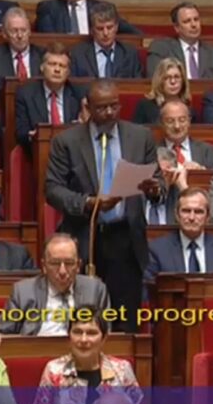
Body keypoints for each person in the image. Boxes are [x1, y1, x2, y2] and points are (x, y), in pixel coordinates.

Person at [45, 79, 158, 332]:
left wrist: (155, 188)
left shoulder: (140, 137)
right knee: (83, 318)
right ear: (88, 106)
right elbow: (52, 190)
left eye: (114, 106)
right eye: (102, 108)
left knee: (124, 320)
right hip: (85, 237)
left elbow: (157, 181)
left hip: (126, 239)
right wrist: (88, 203)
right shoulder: (67, 141)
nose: (109, 113)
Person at [31, 306, 144, 404]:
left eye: (91, 333)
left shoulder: (122, 370)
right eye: (77, 332)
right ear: (69, 337)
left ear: (104, 338)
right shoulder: (53, 370)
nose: (83, 340)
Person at [0, 234, 110, 336]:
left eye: (69, 263)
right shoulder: (23, 291)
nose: (62, 271)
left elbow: (106, 334)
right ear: (44, 266)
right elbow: (4, 335)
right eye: (55, 263)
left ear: (78, 265)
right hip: (37, 352)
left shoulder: (95, 289)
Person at [146, 187, 213, 279]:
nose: (192, 217)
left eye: (198, 212)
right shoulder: (157, 250)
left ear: (207, 217)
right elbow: (149, 290)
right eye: (186, 211)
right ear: (177, 215)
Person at [14, 42, 87, 149]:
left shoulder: (79, 94)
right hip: (38, 151)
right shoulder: (26, 94)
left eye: (62, 66)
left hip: (72, 152)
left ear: (68, 72)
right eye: (52, 64)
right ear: (42, 67)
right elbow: (21, 132)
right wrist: (32, 136)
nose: (57, 70)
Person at [0, 7, 44, 101]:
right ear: (4, 34)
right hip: (7, 108)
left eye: (23, 30)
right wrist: (8, 92)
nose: (20, 36)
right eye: (14, 31)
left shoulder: (42, 55)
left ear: (29, 32)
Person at [146, 2, 213, 79]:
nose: (194, 25)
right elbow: (155, 81)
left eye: (196, 19)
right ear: (177, 27)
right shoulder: (161, 49)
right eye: (187, 21)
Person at [70, 1, 143, 79]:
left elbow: (138, 85)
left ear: (116, 27)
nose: (105, 33)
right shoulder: (78, 54)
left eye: (109, 27)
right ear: (91, 30)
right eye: (100, 29)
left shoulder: (129, 53)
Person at [159, 99, 213, 169]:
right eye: (170, 121)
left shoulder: (208, 151)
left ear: (189, 121)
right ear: (162, 123)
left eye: (182, 120)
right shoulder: (151, 153)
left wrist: (201, 171)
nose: (177, 126)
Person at [132, 57, 192, 124]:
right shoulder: (145, 107)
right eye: (167, 78)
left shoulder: (189, 109)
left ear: (183, 80)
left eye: (177, 77)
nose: (173, 81)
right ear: (159, 80)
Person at [145, 146, 190, 225]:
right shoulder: (136, 198)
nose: (157, 179)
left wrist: (182, 185)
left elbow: (196, 219)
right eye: (155, 174)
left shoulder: (179, 197)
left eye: (165, 173)